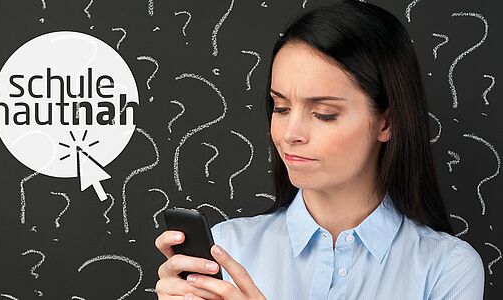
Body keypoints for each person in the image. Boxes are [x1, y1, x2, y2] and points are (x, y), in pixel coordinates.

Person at [154, 1, 485, 299]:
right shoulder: (227, 248)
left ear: (385, 123)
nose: (290, 134)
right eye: (280, 108)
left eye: (324, 114)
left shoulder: (446, 267)